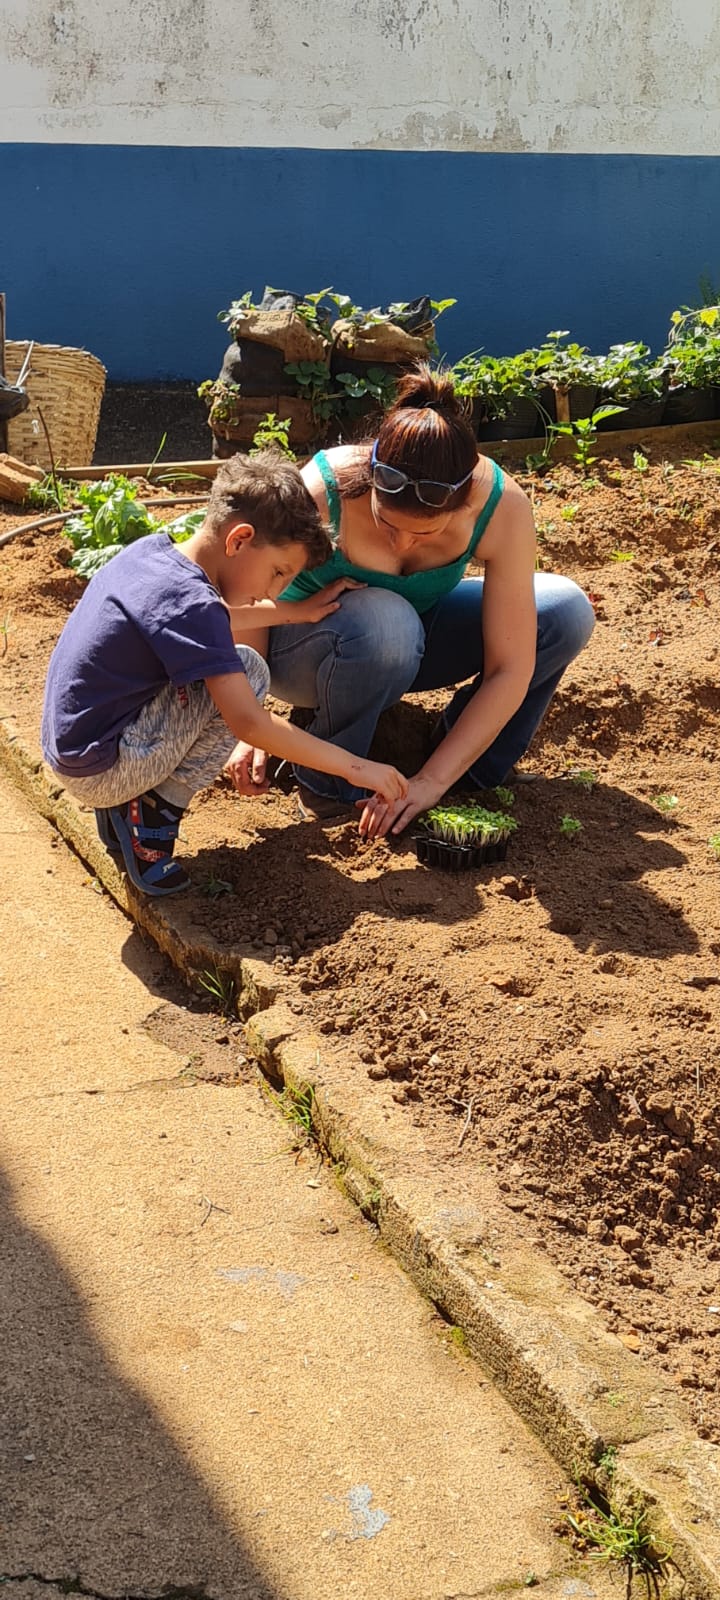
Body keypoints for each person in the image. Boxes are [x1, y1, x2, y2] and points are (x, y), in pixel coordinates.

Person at [236, 363, 595, 836]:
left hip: (407, 645)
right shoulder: (323, 491)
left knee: (565, 610)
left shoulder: (501, 507)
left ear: (465, 501)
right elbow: (241, 596)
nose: (402, 546)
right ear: (371, 481)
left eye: (426, 533)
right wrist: (249, 717)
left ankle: (470, 771)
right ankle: (327, 785)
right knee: (388, 622)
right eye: (389, 526)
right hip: (302, 650)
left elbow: (511, 666)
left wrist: (432, 781)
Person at [40, 452, 408, 896]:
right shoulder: (193, 605)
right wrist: (357, 768)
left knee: (230, 666)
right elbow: (248, 722)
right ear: (240, 539)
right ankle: (152, 812)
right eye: (277, 573)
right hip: (101, 771)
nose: (272, 590)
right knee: (248, 673)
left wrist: (295, 612)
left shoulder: (155, 557)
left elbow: (209, 617)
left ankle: (124, 808)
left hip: (77, 749)